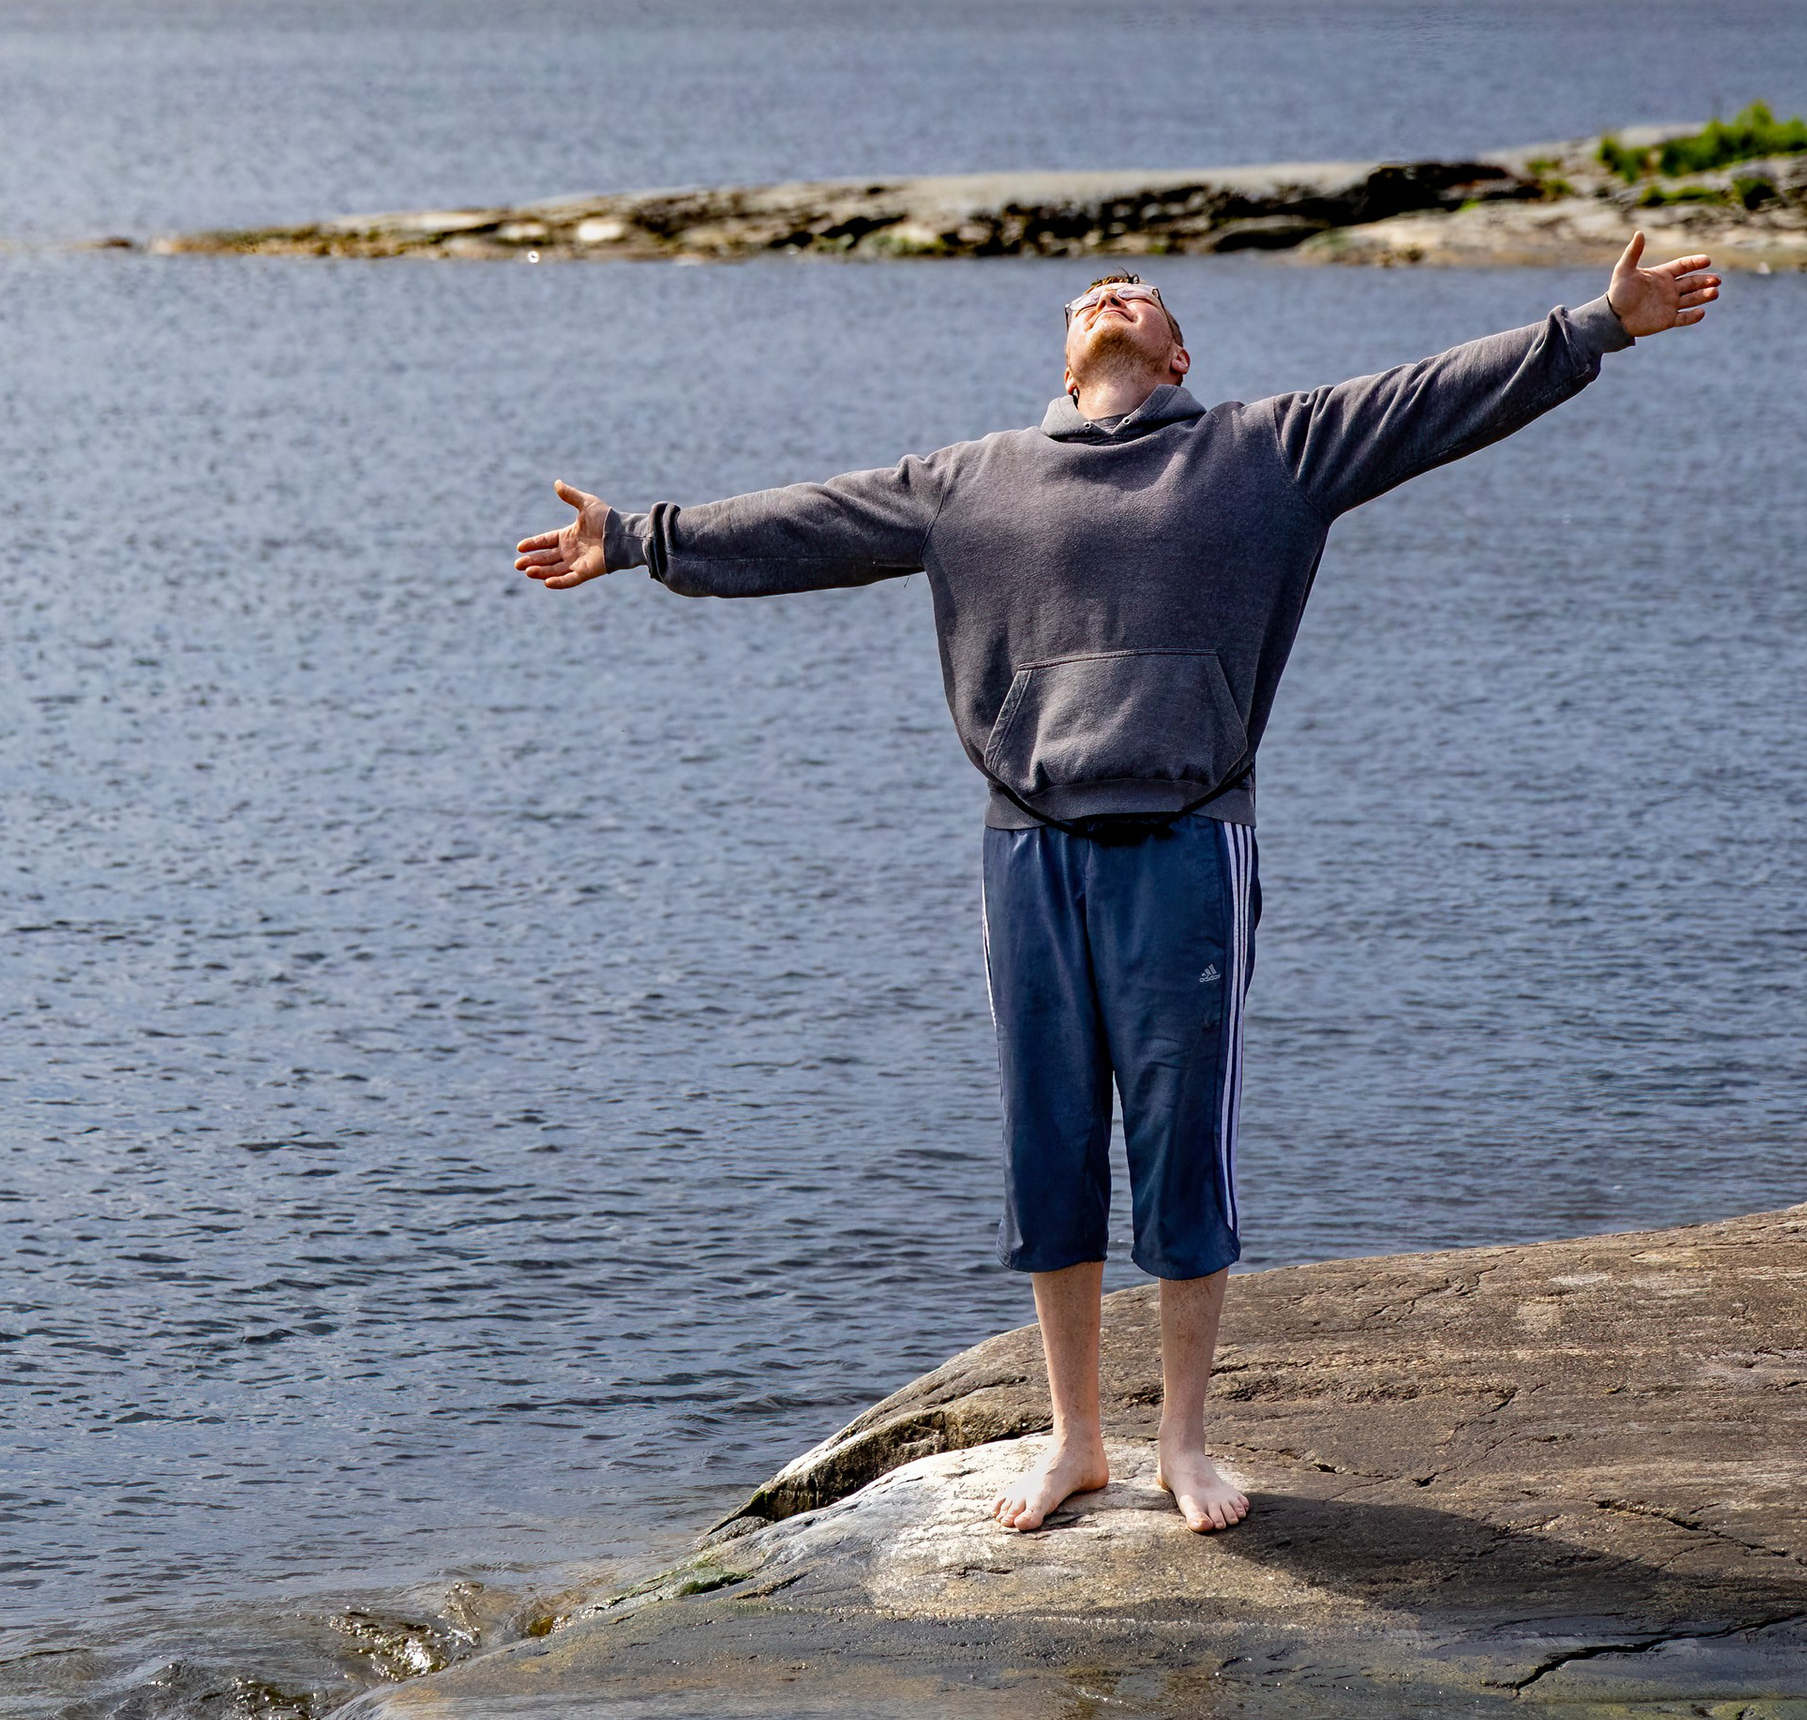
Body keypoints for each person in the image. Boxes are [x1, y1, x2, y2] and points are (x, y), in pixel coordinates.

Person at [513, 235, 1720, 1536]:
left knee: (1180, 1145)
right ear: (1067, 352)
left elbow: (1435, 398)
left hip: (1190, 843)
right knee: (1050, 1150)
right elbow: (808, 522)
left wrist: (1602, 321)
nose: (1109, 290)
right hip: (1029, 846)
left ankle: (1184, 1448)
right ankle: (1077, 1441)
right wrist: (637, 539)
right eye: (1091, 294)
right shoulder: (971, 483)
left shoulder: (1267, 454)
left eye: (1137, 292)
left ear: (1176, 352)